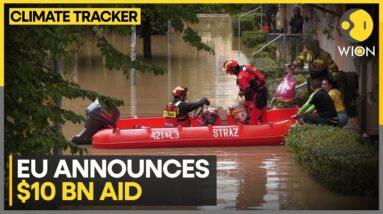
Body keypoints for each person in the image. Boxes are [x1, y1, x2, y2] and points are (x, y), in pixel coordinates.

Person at [222, 59, 268, 125]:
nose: (229, 73)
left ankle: (252, 131)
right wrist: (243, 92)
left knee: (253, 116)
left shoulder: (241, 77)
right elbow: (253, 81)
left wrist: (246, 103)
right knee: (263, 112)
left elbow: (247, 91)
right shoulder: (245, 67)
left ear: (233, 69)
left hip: (257, 95)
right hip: (263, 91)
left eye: (229, 71)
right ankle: (265, 126)